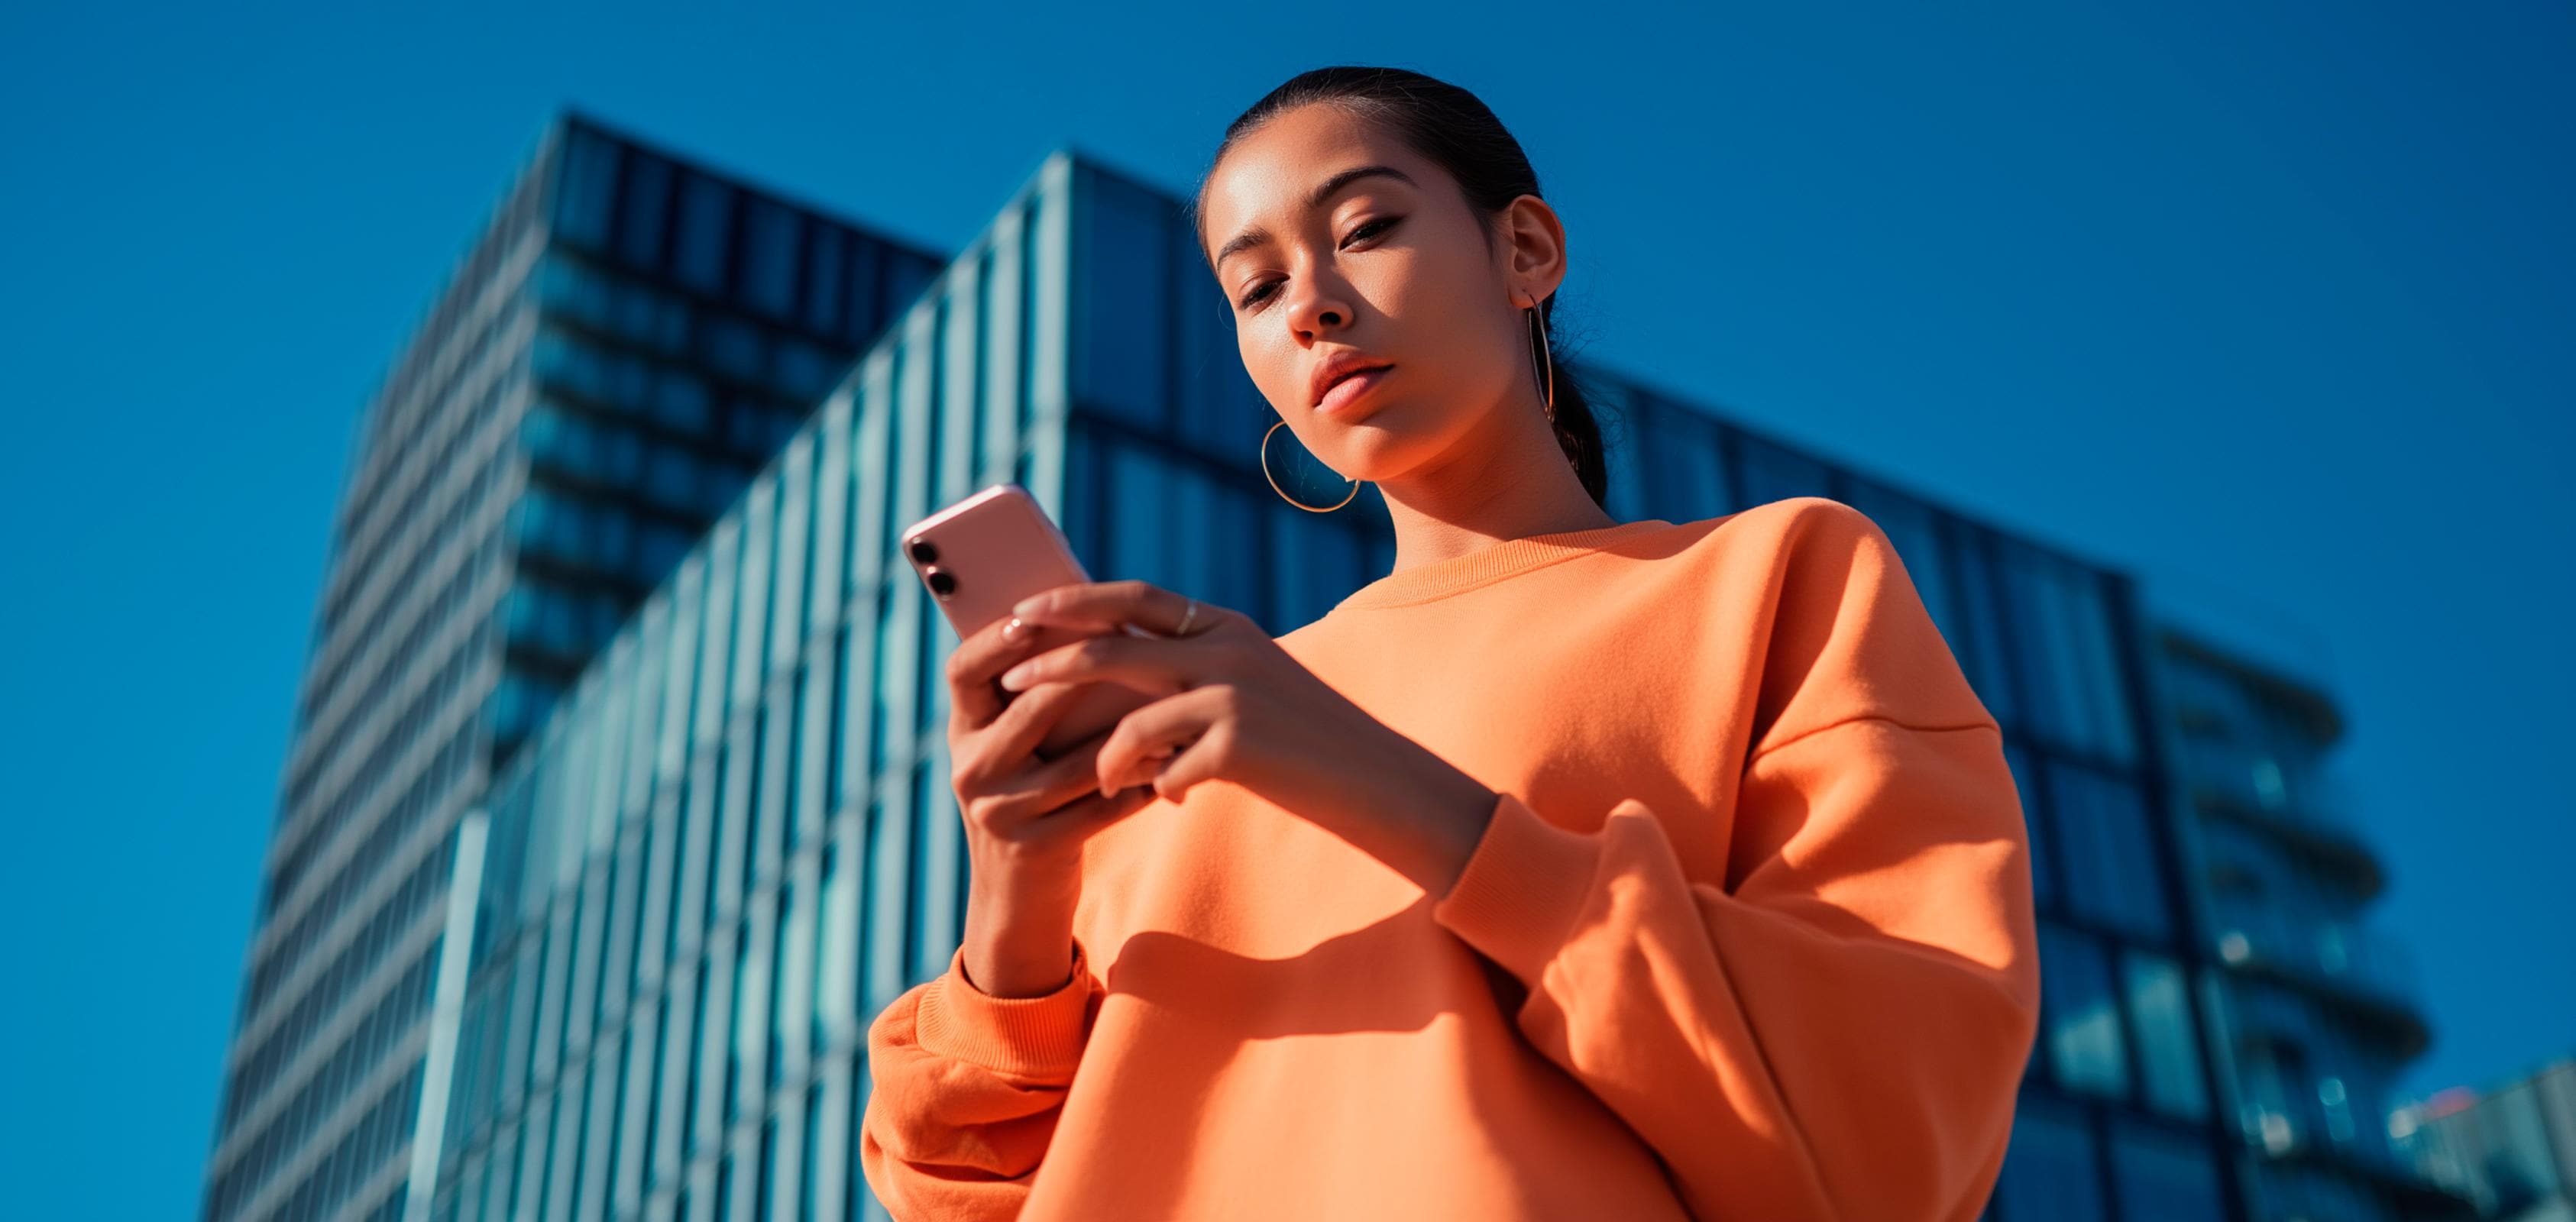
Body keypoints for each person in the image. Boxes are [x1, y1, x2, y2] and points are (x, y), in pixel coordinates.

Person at [859, 64, 2040, 1221]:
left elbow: (1898, 1114)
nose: (1311, 304)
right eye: (1256, 290)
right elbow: (959, 1191)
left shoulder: (1771, 579)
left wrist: (1371, 779)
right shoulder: (1187, 725)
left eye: (1366, 227)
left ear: (1525, 250)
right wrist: (1017, 897)